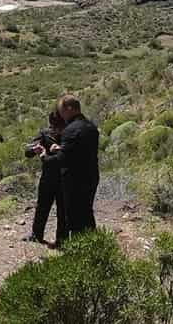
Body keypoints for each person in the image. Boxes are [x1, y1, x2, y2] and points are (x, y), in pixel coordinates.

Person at [43, 94, 100, 239]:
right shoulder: (91, 126)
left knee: (74, 218)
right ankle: (95, 246)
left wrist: (45, 156)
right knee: (87, 213)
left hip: (75, 180)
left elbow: (63, 160)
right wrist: (62, 148)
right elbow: (79, 152)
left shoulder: (70, 130)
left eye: (61, 110)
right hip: (91, 176)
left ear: (69, 109)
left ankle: (79, 252)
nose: (60, 114)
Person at [23, 110, 66, 246]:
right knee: (42, 206)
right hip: (48, 176)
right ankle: (37, 235)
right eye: (52, 125)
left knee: (63, 210)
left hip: (64, 177)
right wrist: (33, 149)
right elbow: (28, 151)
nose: (54, 129)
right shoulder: (45, 134)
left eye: (57, 125)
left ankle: (61, 239)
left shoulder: (69, 134)